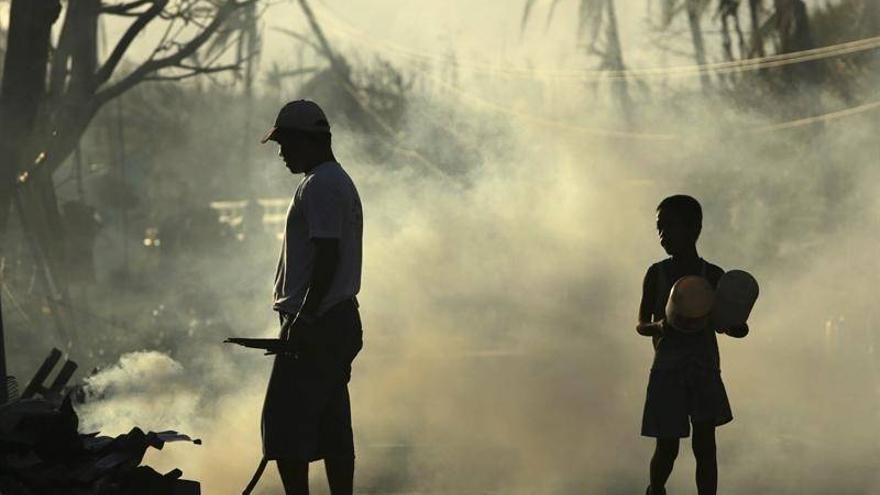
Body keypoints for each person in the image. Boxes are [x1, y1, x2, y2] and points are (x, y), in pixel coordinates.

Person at [260, 99, 364, 495]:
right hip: (336, 319)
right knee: (331, 421)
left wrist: (303, 318)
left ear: (308, 141)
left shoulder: (320, 185)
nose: (282, 154)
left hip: (318, 321)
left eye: (286, 143)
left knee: (285, 428)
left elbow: (327, 255)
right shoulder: (335, 181)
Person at [636, 195, 748, 495]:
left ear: (693, 229)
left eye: (669, 226)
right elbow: (641, 323)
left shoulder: (712, 276)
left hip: (702, 368)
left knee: (705, 444)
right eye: (659, 227)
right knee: (667, 445)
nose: (663, 235)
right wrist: (659, 326)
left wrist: (736, 324)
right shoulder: (656, 274)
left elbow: (727, 324)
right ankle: (655, 489)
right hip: (668, 369)